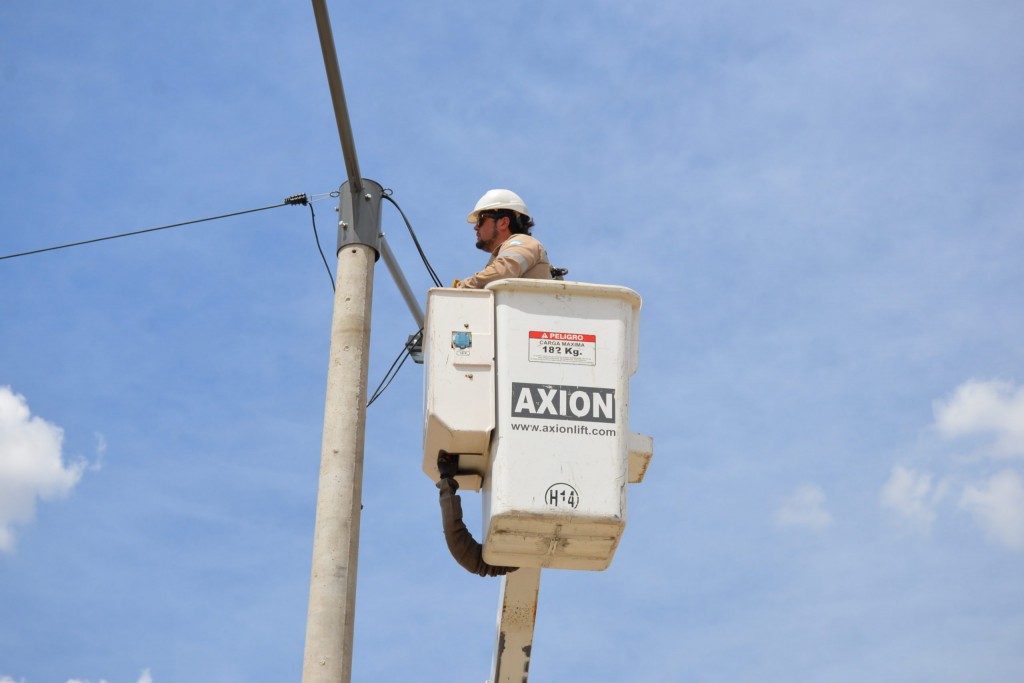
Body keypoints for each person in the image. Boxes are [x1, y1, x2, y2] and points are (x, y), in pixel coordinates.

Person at [455, 189, 553, 289]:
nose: (476, 227)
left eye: (480, 220)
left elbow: (502, 271)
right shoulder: (510, 252)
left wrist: (461, 287)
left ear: (503, 222)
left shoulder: (524, 242)